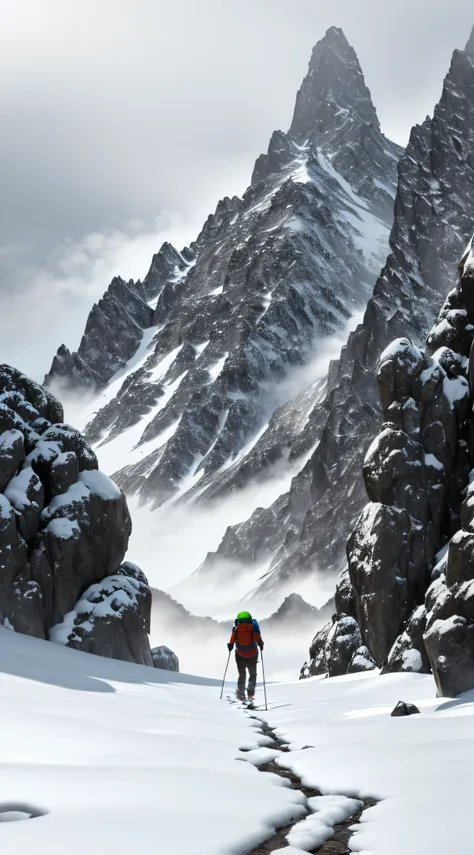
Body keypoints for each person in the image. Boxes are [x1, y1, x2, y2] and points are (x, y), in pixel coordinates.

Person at [227, 611, 264, 702]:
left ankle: (240, 693)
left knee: (242, 674)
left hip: (240, 654)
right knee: (252, 674)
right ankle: (250, 695)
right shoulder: (253, 630)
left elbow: (231, 642)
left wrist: (230, 647)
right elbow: (259, 641)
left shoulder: (236, 630)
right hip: (252, 654)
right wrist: (261, 645)